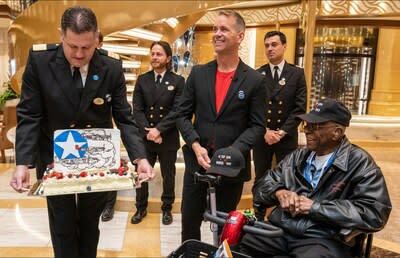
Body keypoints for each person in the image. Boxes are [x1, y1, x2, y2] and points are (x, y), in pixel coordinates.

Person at [9, 6, 154, 258]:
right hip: (55, 160)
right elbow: (30, 114)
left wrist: (140, 157)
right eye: (72, 46)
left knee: (90, 224)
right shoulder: (40, 61)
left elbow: (124, 118)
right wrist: (22, 162)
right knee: (62, 225)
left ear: (97, 37)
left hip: (96, 160)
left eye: (86, 47)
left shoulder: (111, 67)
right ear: (61, 36)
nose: (79, 54)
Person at [240, 98, 392, 257]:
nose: (306, 130)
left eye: (315, 126)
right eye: (306, 125)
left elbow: (375, 213)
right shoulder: (298, 156)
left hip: (324, 237)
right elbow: (262, 185)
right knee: (243, 242)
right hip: (283, 229)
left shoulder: (360, 164)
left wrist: (315, 208)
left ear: (337, 132)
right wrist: (279, 192)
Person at [176, 10, 266, 242]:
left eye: (224, 29)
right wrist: (195, 145)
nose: (217, 34)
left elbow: (257, 126)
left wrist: (233, 151)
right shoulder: (198, 74)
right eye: (215, 29)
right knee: (189, 224)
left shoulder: (255, 80)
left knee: (227, 230)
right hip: (197, 164)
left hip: (231, 168)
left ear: (240, 36)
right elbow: (181, 115)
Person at [252, 30, 307, 221]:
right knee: (261, 175)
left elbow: (300, 108)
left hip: (286, 137)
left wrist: (281, 132)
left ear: (284, 46)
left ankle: (282, 215)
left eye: (274, 44)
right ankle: (258, 213)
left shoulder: (297, 73)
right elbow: (253, 108)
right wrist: (265, 131)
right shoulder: (257, 74)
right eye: (267, 45)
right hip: (262, 136)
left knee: (287, 176)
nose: (269, 48)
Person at [131, 41, 185, 225]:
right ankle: (140, 208)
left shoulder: (178, 81)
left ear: (168, 58)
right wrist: (149, 132)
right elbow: (137, 110)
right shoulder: (142, 79)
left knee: (168, 176)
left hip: (167, 138)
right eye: (152, 53)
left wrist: (159, 130)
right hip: (145, 138)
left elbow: (178, 110)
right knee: (141, 175)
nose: (154, 57)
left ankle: (167, 209)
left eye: (159, 54)